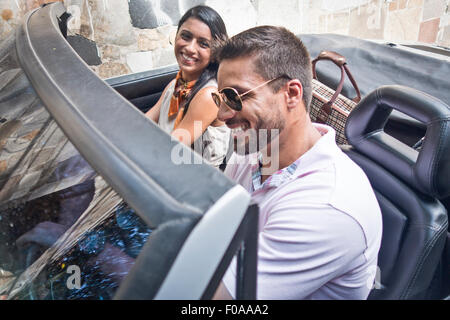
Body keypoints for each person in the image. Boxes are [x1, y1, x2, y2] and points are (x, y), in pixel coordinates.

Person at [212, 26, 383, 300]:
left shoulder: (327, 206)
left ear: (291, 94)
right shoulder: (253, 149)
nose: (222, 114)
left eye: (234, 97)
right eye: (219, 97)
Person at [145, 5, 230, 168]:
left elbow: (170, 150)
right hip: (166, 166)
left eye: (203, 44)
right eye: (185, 36)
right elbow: (143, 123)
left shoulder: (209, 97)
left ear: (215, 52)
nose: (190, 48)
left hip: (192, 181)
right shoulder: (175, 85)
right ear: (176, 36)